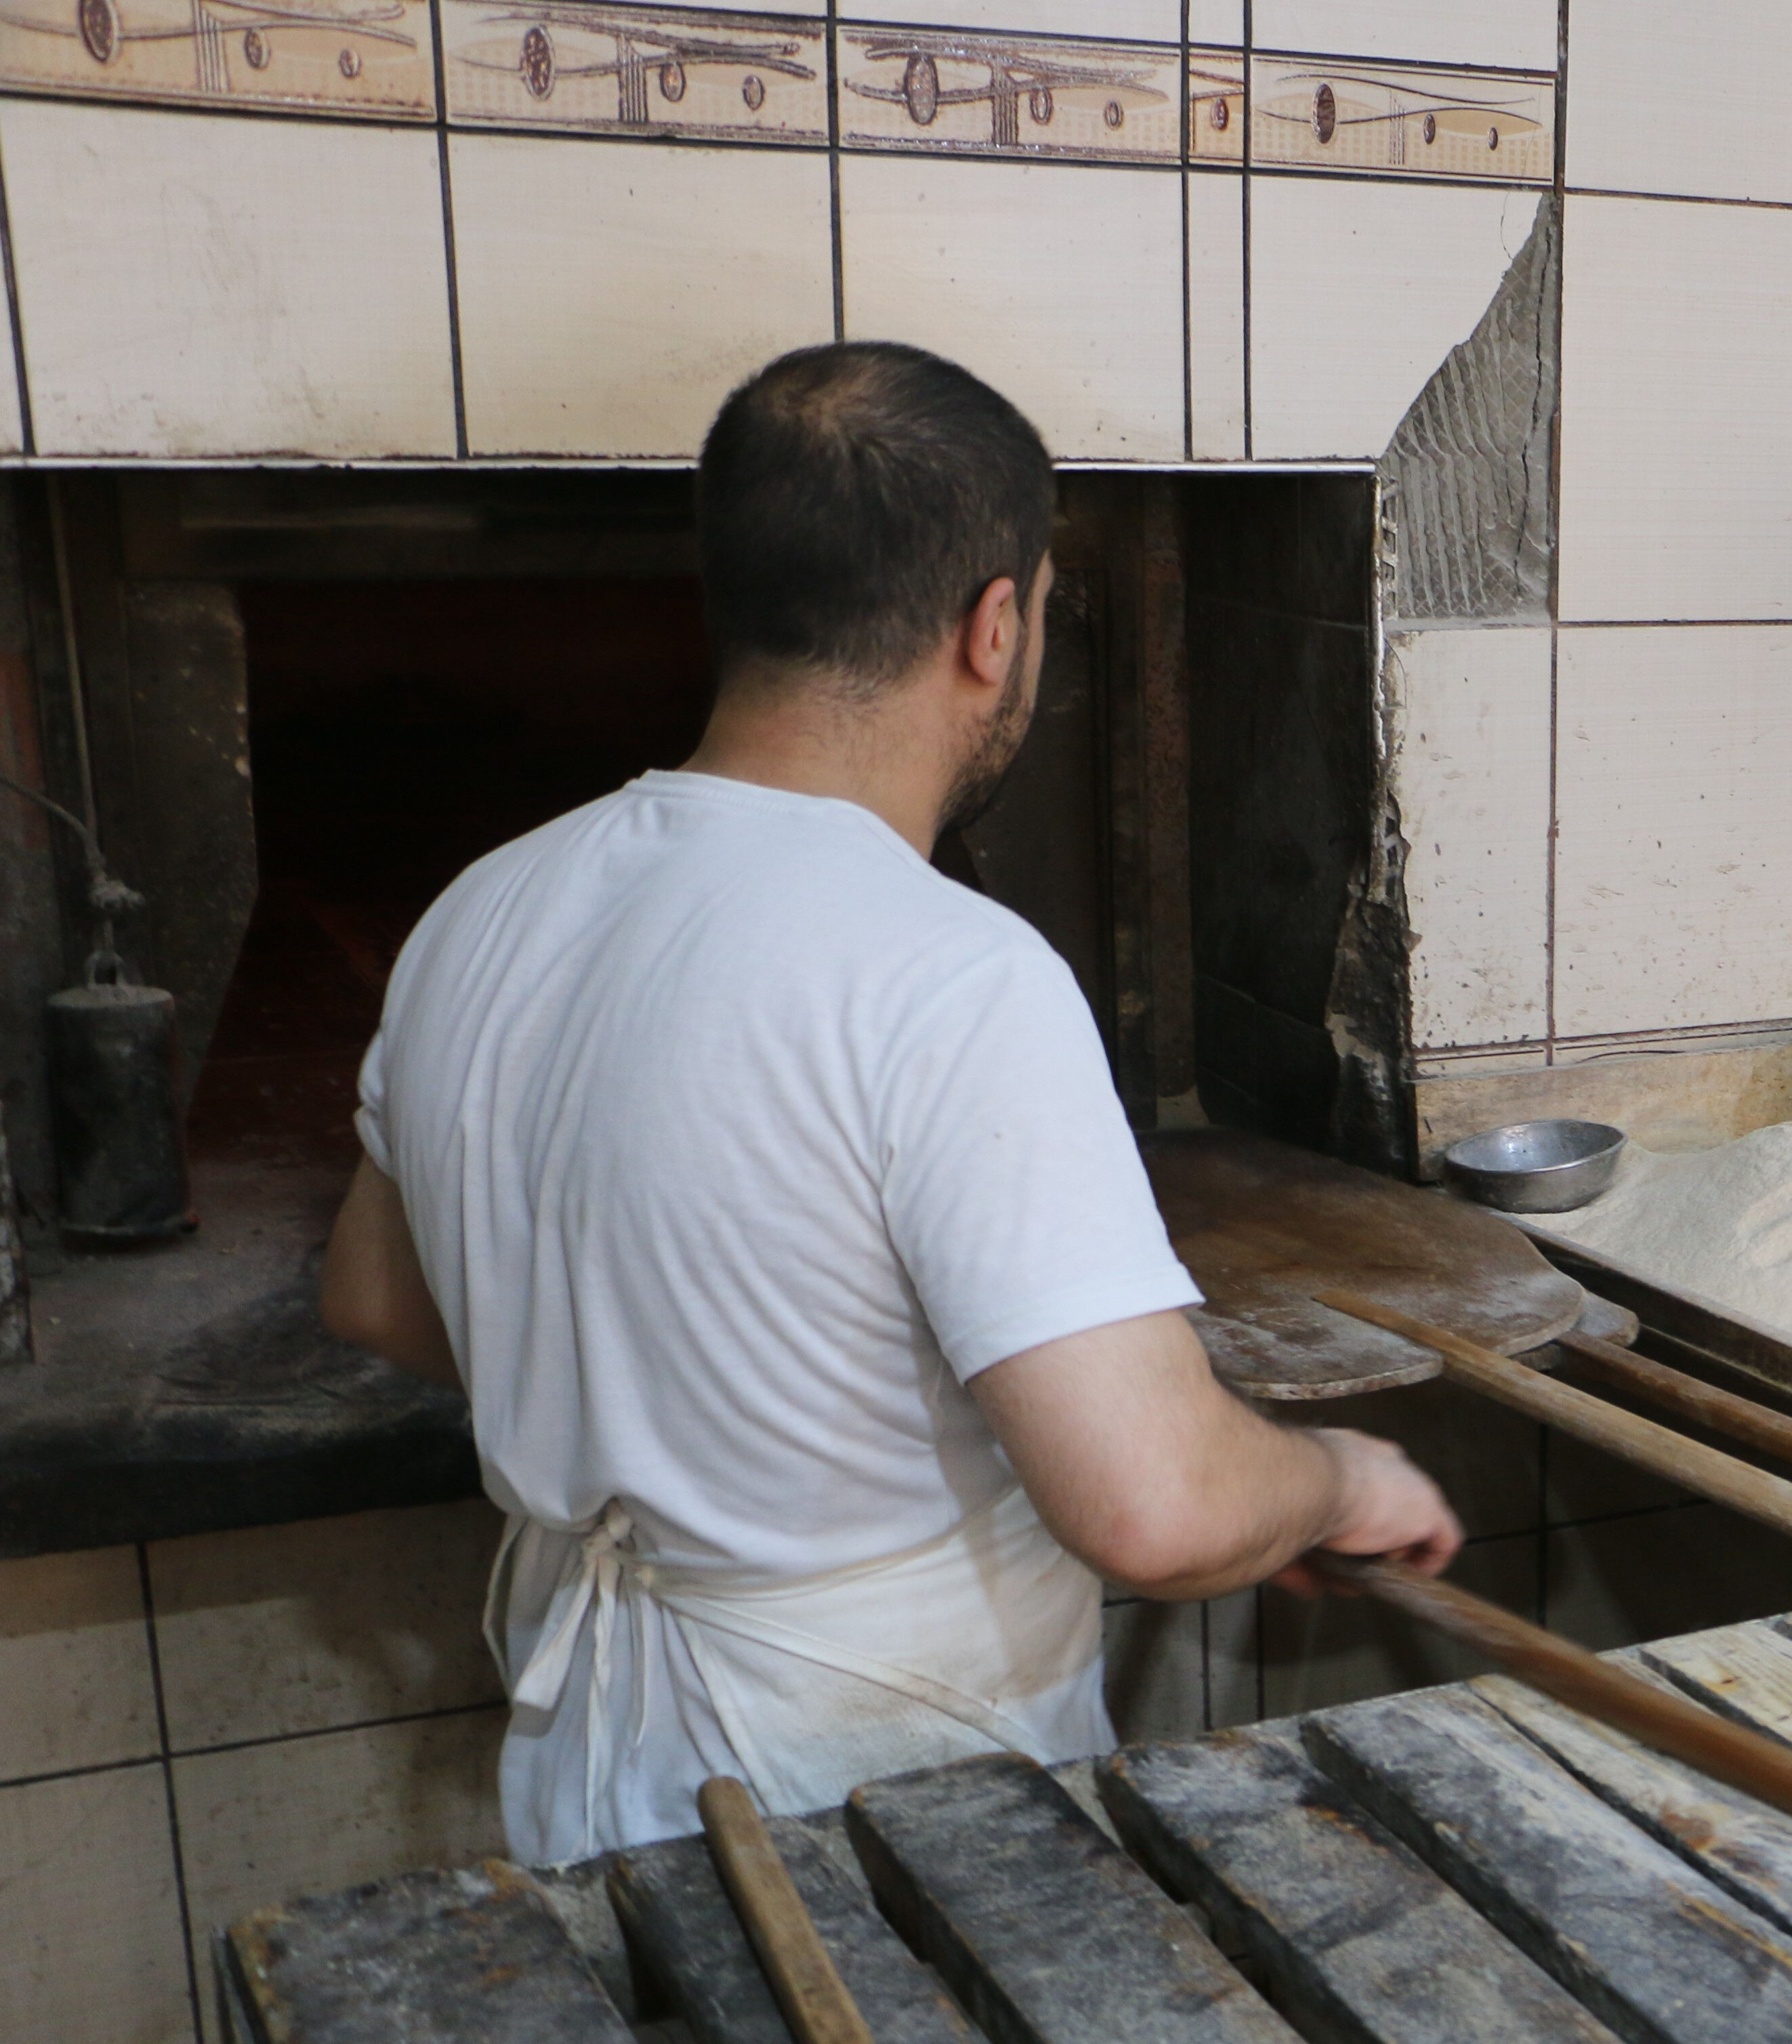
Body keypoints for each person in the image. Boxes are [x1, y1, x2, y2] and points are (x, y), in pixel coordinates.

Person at [318, 342, 1461, 1863]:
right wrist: (1334, 1481)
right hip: (877, 1814)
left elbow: (379, 1301)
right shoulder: (948, 972)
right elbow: (1158, 1509)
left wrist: (671, 1406)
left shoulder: (486, 907)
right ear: (997, 626)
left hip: (590, 1771)